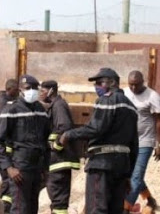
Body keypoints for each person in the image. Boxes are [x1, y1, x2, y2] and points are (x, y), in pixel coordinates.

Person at [59, 68, 138, 214]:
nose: (97, 87)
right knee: (115, 209)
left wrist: (69, 135)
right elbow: (134, 147)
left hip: (102, 165)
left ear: (113, 83)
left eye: (99, 83)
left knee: (97, 208)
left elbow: (96, 128)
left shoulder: (107, 100)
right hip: (122, 166)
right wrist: (128, 175)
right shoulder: (131, 108)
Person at [0, 74, 51, 214]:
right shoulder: (11, 110)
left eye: (35, 88)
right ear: (20, 90)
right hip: (20, 170)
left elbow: (46, 140)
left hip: (37, 169)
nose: (32, 91)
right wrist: (9, 167)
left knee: (32, 209)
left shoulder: (41, 111)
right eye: (28, 88)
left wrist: (46, 168)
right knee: (20, 209)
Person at [40, 80, 79, 214]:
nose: (40, 93)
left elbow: (65, 128)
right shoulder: (54, 105)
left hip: (60, 160)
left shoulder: (59, 106)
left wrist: (55, 145)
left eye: (42, 91)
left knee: (59, 202)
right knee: (56, 200)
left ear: (51, 90)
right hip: (56, 161)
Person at [123, 70, 159, 212]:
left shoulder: (152, 96)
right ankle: (150, 199)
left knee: (136, 176)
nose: (133, 88)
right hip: (128, 141)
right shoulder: (124, 93)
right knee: (132, 172)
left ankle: (125, 208)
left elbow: (158, 121)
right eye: (131, 85)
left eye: (136, 85)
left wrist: (158, 143)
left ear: (143, 82)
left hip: (146, 141)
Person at [0, 78, 19, 213]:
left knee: (8, 184)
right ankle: (3, 208)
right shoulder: (3, 101)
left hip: (6, 150)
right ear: (10, 89)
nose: (18, 92)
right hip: (2, 150)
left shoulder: (10, 101)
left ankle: (6, 208)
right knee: (5, 182)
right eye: (16, 89)